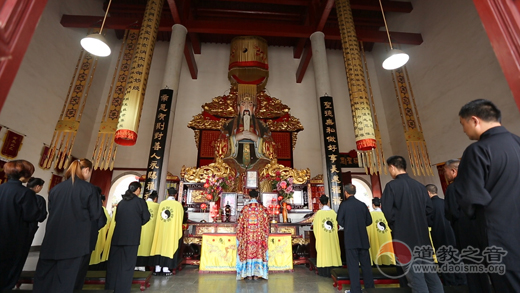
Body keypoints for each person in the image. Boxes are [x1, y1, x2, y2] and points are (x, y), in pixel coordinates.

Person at [453, 99, 520, 292]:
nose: (464, 130)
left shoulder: (477, 150)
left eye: (463, 124)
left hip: (500, 236)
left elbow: (470, 199)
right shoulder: (517, 142)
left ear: (474, 120)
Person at [34, 159, 102, 293]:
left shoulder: (56, 189)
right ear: (87, 170)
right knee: (66, 282)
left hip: (51, 242)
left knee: (45, 281)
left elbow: (52, 211)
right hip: (74, 244)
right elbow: (95, 215)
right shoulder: (90, 189)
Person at [381, 155, 443, 293]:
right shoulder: (420, 187)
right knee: (432, 278)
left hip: (405, 241)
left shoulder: (391, 186)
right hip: (423, 240)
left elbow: (387, 211)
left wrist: (397, 226)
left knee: (416, 280)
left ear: (392, 167)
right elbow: (429, 209)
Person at [444, 159, 492, 292]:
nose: (445, 175)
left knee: (472, 270)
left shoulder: (453, 188)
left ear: (453, 171)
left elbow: (451, 211)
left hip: (464, 232)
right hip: (482, 230)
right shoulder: (476, 184)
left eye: (445, 171)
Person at [0, 160, 39, 291]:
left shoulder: (1, 188)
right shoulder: (26, 193)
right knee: (9, 273)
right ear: (23, 175)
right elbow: (31, 216)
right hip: (14, 238)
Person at [105, 182, 150, 292]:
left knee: (114, 263)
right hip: (131, 238)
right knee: (127, 264)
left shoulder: (121, 202)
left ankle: (110, 286)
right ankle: (122, 289)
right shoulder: (140, 202)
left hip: (118, 236)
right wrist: (136, 224)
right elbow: (146, 217)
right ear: (138, 190)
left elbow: (116, 219)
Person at [220, 94, 274, 172]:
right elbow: (221, 143)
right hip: (233, 159)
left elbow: (271, 144)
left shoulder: (262, 125)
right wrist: (235, 138)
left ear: (254, 109)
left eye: (250, 104)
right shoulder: (229, 124)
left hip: (257, 159)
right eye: (243, 104)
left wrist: (257, 139)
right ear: (238, 108)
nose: (246, 107)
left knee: (265, 167)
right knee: (227, 167)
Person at [336, 184, 374, 293]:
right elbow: (369, 221)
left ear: (346, 193)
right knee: (366, 265)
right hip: (363, 238)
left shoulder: (344, 205)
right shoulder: (362, 205)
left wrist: (348, 225)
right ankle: (370, 288)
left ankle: (356, 290)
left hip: (350, 239)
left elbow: (339, 220)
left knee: (353, 266)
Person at [425, 184, 465, 286]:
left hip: (439, 235)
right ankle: (461, 281)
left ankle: (450, 283)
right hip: (452, 234)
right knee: (456, 258)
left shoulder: (430, 206)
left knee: (444, 260)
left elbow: (428, 222)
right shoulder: (444, 202)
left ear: (428, 193)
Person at [236, 189, 270, 280]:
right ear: (258, 196)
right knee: (258, 252)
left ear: (249, 197)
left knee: (247, 252)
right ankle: (257, 274)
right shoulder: (262, 209)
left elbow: (240, 224)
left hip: (248, 236)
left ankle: (248, 274)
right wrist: (265, 234)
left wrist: (240, 235)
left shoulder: (245, 209)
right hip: (259, 236)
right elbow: (267, 224)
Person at [149, 187, 184, 276]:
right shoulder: (178, 205)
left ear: (168, 194)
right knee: (169, 247)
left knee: (159, 246)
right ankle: (166, 268)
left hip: (161, 230)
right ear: (175, 195)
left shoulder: (162, 204)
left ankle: (157, 268)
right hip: (172, 231)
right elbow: (181, 218)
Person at [312, 194, 342, 277]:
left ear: (320, 203)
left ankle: (324, 271)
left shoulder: (318, 214)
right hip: (332, 238)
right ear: (328, 202)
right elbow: (337, 226)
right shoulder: (333, 213)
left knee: (324, 252)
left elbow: (315, 227)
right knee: (333, 251)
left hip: (322, 239)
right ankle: (334, 268)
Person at [367, 197, 394, 266]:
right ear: (380, 205)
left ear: (373, 205)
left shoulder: (371, 215)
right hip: (385, 237)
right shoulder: (386, 214)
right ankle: (388, 261)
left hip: (375, 236)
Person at [136, 190, 160, 271]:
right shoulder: (157, 206)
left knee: (138, 247)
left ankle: (136, 265)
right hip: (150, 231)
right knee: (147, 248)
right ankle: (143, 266)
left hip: (139, 229)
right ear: (155, 199)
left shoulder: (141, 204)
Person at [89, 193, 111, 267]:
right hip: (100, 235)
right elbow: (107, 223)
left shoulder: (89, 208)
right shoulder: (103, 210)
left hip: (90, 235)